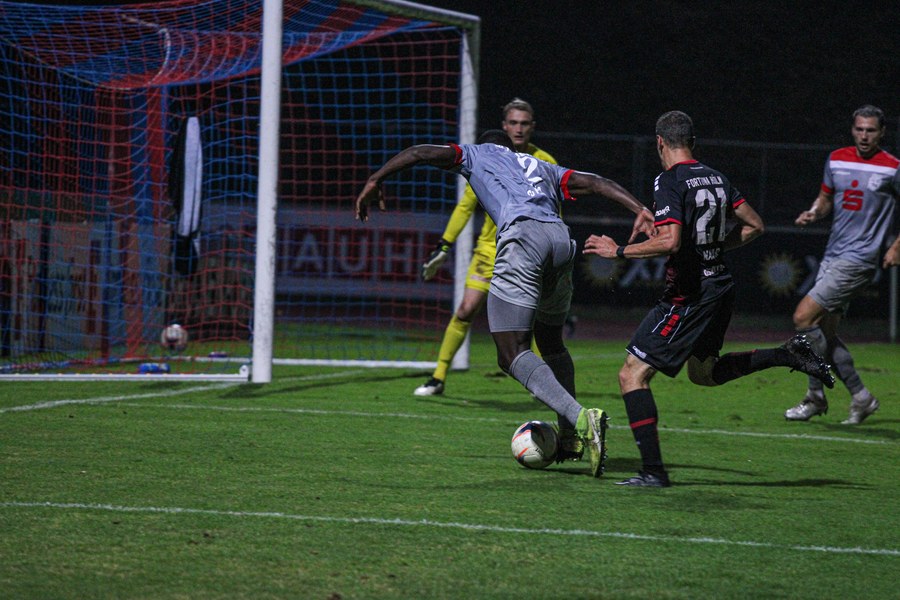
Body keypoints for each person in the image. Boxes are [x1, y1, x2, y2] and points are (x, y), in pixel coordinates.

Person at [356, 129, 657, 477]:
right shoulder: (541, 165)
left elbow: (420, 152)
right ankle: (570, 438)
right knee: (551, 342)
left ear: (486, 145)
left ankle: (580, 418)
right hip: (561, 240)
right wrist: (639, 208)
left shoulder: (474, 154)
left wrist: (376, 178)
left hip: (523, 239)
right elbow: (596, 182)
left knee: (510, 351)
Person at [583, 111, 835, 487]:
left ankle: (653, 472)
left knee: (632, 374)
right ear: (692, 142)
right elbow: (755, 225)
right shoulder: (716, 177)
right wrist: (711, 248)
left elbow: (671, 242)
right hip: (720, 285)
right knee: (704, 374)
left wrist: (617, 251)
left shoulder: (669, 180)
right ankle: (787, 354)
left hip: (690, 294)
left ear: (659, 143)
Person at [415, 98, 558, 399]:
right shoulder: (487, 158)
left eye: (524, 124)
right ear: (504, 127)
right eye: (513, 123)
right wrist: (444, 245)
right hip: (489, 251)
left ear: (532, 127)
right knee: (466, 310)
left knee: (528, 323)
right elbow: (466, 206)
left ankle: (540, 384)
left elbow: (555, 211)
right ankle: (438, 376)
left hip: (526, 252)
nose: (519, 129)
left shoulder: (545, 161)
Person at [783, 105, 900, 425]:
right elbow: (825, 199)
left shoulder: (892, 168)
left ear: (882, 132)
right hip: (833, 254)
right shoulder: (836, 159)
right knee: (824, 334)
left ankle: (815, 396)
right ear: (852, 130)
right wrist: (813, 213)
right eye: (859, 129)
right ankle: (861, 398)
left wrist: (896, 246)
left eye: (871, 130)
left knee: (803, 317)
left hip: (860, 260)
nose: (864, 136)